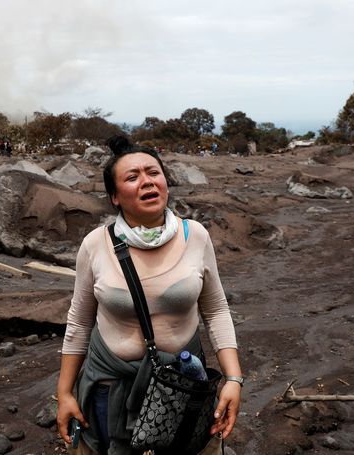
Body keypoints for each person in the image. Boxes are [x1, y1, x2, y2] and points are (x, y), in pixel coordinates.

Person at [56, 135, 243, 454]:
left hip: (182, 384)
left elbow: (215, 311)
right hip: (110, 386)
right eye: (132, 177)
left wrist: (234, 378)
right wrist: (64, 393)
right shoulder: (95, 244)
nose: (147, 182)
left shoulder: (195, 235)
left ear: (165, 182)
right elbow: (79, 321)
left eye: (153, 172)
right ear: (114, 197)